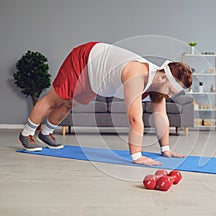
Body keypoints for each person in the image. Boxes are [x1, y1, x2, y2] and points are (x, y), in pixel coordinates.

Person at [18, 42, 193, 166]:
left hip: (97, 79)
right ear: (163, 77)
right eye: (170, 90)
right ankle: (26, 134)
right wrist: (137, 156)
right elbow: (134, 118)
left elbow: (161, 117)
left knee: (70, 104)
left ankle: (46, 133)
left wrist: (166, 149)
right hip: (85, 60)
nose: (169, 96)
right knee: (55, 99)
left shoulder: (159, 86)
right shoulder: (137, 74)